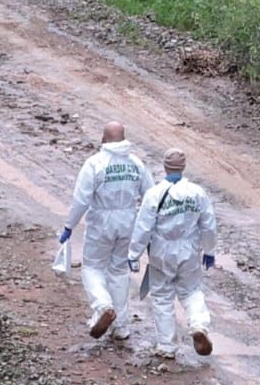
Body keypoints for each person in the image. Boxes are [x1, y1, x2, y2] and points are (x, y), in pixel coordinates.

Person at [56, 122, 153, 342]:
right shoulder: (136, 163)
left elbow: (81, 200)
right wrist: (147, 229)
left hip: (102, 220)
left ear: (103, 138)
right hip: (128, 219)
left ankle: (103, 306)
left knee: (92, 267)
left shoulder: (95, 164)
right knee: (119, 271)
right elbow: (150, 196)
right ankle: (121, 327)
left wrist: (69, 226)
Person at [126, 148, 218, 360]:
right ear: (183, 166)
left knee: (162, 296)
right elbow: (209, 224)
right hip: (189, 250)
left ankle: (167, 346)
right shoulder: (197, 192)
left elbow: (143, 227)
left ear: (165, 166)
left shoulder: (154, 194)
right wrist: (209, 249)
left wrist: (134, 254)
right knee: (191, 291)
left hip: (162, 250)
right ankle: (198, 325)